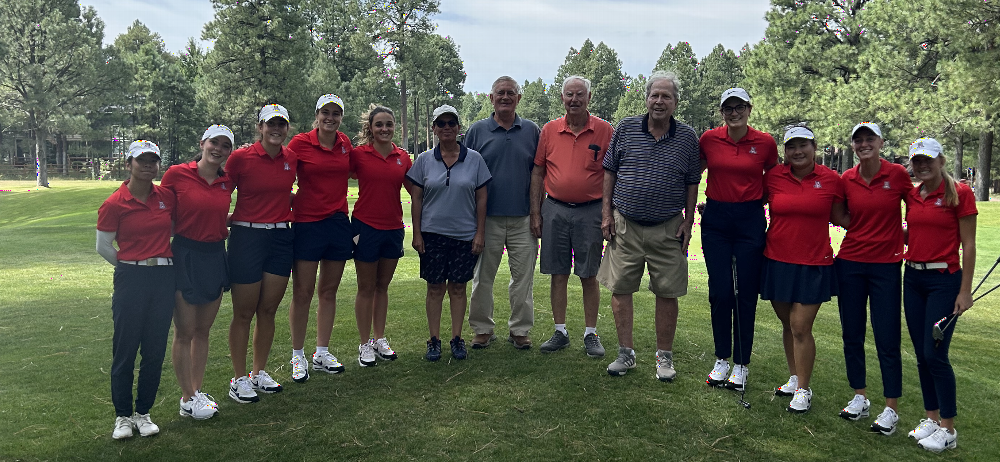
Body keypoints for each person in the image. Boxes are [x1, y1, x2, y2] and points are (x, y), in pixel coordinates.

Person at [598, 71, 701, 380]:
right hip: (625, 225)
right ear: (646, 98)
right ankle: (625, 354)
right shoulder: (626, 128)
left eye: (666, 96)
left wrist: (689, 220)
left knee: (667, 292)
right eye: (654, 95)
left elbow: (692, 182)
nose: (659, 101)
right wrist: (606, 214)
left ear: (675, 102)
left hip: (668, 227)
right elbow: (609, 172)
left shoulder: (687, 137)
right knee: (620, 288)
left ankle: (664, 359)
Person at [762, 126, 846, 413]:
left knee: (800, 326)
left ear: (814, 147)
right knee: (788, 325)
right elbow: (749, 201)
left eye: (804, 145)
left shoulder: (831, 179)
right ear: (785, 151)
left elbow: (841, 215)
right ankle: (795, 376)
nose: (798, 151)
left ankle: (803, 389)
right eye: (791, 146)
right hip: (777, 261)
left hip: (814, 264)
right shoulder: (773, 177)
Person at [698, 88, 778, 391]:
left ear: (749, 109)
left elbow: (773, 177)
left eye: (739, 107)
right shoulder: (709, 139)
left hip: (750, 219)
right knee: (720, 292)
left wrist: (759, 202)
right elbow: (696, 171)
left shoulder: (765, 143)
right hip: (716, 219)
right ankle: (722, 358)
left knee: (745, 292)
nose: (734, 113)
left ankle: (742, 364)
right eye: (728, 108)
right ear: (721, 112)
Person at [834, 123, 911, 434]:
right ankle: (860, 396)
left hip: (886, 267)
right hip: (850, 263)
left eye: (870, 139)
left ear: (880, 142)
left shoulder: (897, 175)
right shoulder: (847, 179)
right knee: (852, 334)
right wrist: (864, 229)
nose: (864, 144)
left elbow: (916, 208)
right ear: (853, 147)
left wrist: (900, 234)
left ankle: (891, 407)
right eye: (859, 140)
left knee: (887, 337)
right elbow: (837, 215)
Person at [96, 140, 176, 439]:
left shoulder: (166, 197)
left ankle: (143, 413)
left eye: (153, 160)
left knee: (154, 349)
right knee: (125, 349)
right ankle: (122, 416)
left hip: (164, 277)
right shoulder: (115, 203)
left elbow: (173, 229)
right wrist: (130, 265)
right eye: (141, 160)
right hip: (131, 278)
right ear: (128, 164)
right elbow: (103, 246)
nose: (147, 165)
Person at [530, 75, 613, 358]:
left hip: (590, 211)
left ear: (589, 98)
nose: (574, 99)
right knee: (558, 272)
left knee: (589, 274)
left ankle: (591, 334)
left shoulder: (604, 130)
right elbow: (538, 172)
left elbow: (611, 175)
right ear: (562, 98)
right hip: (554, 209)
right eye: (569, 94)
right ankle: (560, 331)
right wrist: (536, 212)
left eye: (580, 95)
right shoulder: (550, 130)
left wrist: (607, 214)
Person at [902, 138, 976, 453]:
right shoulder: (912, 193)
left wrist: (965, 291)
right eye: (916, 161)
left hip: (944, 281)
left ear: (941, 160)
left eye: (927, 160)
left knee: (935, 355)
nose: (922, 166)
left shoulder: (960, 193)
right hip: (913, 278)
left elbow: (969, 244)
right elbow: (916, 232)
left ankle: (948, 428)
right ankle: (930, 419)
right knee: (921, 353)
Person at [160, 125, 235, 420]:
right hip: (186, 255)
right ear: (202, 143)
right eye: (214, 143)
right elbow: (160, 211)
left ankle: (196, 393)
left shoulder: (227, 181)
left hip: (216, 255)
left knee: (203, 330)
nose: (218, 149)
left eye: (225, 145)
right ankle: (187, 396)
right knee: (185, 331)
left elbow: (215, 214)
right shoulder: (177, 174)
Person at [406, 105, 491, 361]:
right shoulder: (423, 160)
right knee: (434, 288)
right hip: (432, 234)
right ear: (434, 128)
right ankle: (434, 340)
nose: (446, 128)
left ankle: (457, 338)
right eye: (440, 123)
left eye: (451, 123)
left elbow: (482, 199)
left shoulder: (474, 159)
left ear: (458, 128)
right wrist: (417, 234)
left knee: (457, 287)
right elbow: (417, 198)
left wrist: (479, 234)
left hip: (464, 235)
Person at [225, 104, 297, 403]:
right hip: (247, 236)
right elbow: (221, 191)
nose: (276, 129)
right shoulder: (240, 157)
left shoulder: (291, 158)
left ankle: (259, 372)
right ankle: (239, 378)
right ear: (260, 127)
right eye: (270, 124)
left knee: (268, 309)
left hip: (281, 235)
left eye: (281, 123)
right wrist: (222, 222)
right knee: (244, 311)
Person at [465, 76, 541, 350]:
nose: (506, 97)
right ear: (491, 98)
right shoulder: (477, 131)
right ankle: (482, 329)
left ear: (519, 98)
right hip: (487, 219)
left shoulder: (532, 131)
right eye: (500, 93)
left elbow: (539, 172)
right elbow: (467, 173)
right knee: (482, 277)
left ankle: (520, 330)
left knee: (523, 279)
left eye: (511, 93)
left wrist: (537, 213)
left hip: (523, 218)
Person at [285, 94, 354, 380]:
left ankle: (322, 352)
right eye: (325, 112)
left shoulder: (344, 143)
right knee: (302, 292)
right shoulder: (300, 143)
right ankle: (297, 355)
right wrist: (296, 202)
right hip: (307, 223)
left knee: (328, 291)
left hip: (337, 222)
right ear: (317, 115)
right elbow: (281, 178)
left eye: (335, 113)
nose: (330, 118)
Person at [350, 105, 412, 365]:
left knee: (382, 287)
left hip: (394, 227)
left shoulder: (403, 157)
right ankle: (364, 344)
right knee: (366, 287)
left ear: (394, 127)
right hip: (365, 227)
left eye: (389, 124)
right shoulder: (358, 155)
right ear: (371, 128)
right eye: (379, 124)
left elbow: (416, 189)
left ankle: (379, 338)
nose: (384, 129)